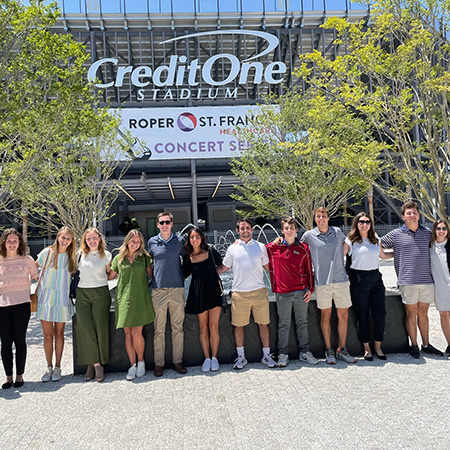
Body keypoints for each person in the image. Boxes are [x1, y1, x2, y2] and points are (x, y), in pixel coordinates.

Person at [381, 201, 443, 358]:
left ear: (418, 215)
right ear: (403, 216)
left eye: (415, 212)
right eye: (409, 213)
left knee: (424, 313)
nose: (412, 215)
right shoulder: (395, 234)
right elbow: (378, 244)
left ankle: (426, 344)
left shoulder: (428, 233)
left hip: (427, 280)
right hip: (407, 281)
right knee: (411, 314)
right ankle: (414, 345)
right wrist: (391, 255)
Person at [218, 219, 277, 370]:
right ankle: (241, 357)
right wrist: (205, 272)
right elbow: (224, 268)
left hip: (259, 292)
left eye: (248, 228)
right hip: (239, 294)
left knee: (264, 324)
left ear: (252, 229)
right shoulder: (232, 249)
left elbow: (268, 267)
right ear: (237, 230)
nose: (245, 230)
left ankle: (266, 355)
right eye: (242, 228)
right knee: (238, 326)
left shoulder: (260, 247)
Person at [301, 207, 356, 364]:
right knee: (325, 316)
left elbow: (348, 244)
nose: (321, 219)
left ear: (328, 218)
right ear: (315, 219)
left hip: (340, 281)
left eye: (324, 216)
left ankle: (342, 349)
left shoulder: (337, 232)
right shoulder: (309, 235)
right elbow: (299, 248)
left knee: (343, 316)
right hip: (322, 283)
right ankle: (329, 350)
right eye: (318, 216)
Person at [266, 217, 318, 367]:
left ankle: (305, 352)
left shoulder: (303, 248)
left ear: (296, 230)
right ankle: (282, 353)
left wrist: (311, 289)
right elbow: (262, 250)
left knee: (302, 323)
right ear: (282, 231)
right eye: (286, 228)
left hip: (301, 291)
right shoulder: (273, 248)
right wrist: (273, 242)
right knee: (284, 324)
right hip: (282, 293)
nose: (289, 231)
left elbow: (309, 270)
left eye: (292, 228)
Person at [344, 213, 391, 361]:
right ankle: (366, 348)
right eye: (361, 222)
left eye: (367, 222)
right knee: (362, 315)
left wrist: (402, 253)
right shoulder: (351, 240)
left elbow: (382, 256)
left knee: (380, 314)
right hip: (359, 279)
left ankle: (378, 346)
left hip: (376, 279)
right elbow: (339, 256)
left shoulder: (376, 239)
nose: (364, 224)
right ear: (356, 224)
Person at [109, 230, 154, 380]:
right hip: (123, 299)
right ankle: (132, 365)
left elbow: (151, 276)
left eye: (138, 241)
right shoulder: (118, 259)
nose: (135, 243)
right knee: (127, 334)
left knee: (136, 333)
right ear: (127, 241)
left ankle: (141, 362)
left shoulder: (145, 258)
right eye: (133, 241)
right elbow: (110, 276)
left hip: (140, 298)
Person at [148, 212, 187, 377]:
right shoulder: (151, 242)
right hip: (158, 291)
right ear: (158, 225)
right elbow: (148, 263)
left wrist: (181, 277)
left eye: (167, 222)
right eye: (161, 222)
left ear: (172, 223)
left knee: (178, 328)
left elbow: (188, 260)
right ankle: (159, 364)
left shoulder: (179, 241)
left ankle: (178, 361)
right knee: (159, 329)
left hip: (177, 290)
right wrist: (152, 279)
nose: (164, 225)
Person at [36, 226, 77, 382]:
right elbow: (33, 268)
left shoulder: (72, 256)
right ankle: (48, 366)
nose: (65, 240)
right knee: (47, 336)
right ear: (58, 237)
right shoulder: (46, 253)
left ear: (71, 240)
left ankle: (58, 366)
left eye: (68, 238)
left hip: (62, 299)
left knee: (59, 334)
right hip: (45, 299)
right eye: (63, 237)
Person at [0, 229, 39, 389]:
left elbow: (38, 276)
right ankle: (8, 377)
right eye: (9, 241)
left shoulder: (26, 259)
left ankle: (19, 376)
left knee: (20, 340)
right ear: (4, 242)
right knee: (5, 343)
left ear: (20, 243)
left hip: (22, 305)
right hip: (2, 306)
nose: (12, 244)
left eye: (15, 240)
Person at [183, 226, 223, 372]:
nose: (195, 239)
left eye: (197, 237)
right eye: (192, 237)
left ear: (202, 238)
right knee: (203, 327)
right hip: (198, 293)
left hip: (213, 291)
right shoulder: (188, 257)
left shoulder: (211, 251)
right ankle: (206, 358)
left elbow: (224, 265)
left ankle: (215, 357)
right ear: (189, 239)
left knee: (214, 326)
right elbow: (183, 274)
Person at [75, 228, 112, 383]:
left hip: (101, 292)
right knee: (85, 330)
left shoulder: (107, 255)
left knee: (100, 328)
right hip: (82, 293)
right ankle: (93, 364)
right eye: (89, 239)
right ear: (85, 240)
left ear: (99, 238)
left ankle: (99, 364)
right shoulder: (79, 255)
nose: (92, 241)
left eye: (94, 238)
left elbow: (109, 273)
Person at [429, 219, 450, 356]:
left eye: (444, 228)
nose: (441, 231)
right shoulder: (430, 246)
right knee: (443, 314)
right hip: (440, 286)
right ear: (434, 230)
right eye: (438, 228)